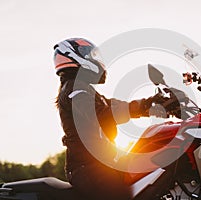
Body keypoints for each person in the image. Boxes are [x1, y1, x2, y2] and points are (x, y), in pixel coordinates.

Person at [53, 38, 166, 199]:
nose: (94, 59)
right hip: (87, 167)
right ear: (72, 56)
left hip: (101, 163)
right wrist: (144, 107)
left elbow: (114, 106)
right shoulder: (73, 89)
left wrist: (151, 104)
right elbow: (102, 114)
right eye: (88, 54)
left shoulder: (86, 91)